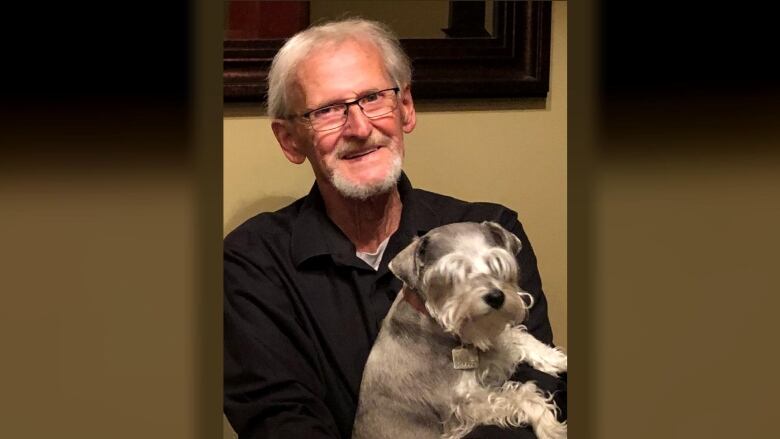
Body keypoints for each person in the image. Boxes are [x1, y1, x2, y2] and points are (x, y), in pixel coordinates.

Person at [224, 18, 565, 439]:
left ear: (405, 108)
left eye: (373, 98)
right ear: (290, 140)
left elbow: (537, 378)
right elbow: (277, 422)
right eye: (327, 110)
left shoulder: (492, 230)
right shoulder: (250, 261)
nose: (360, 128)